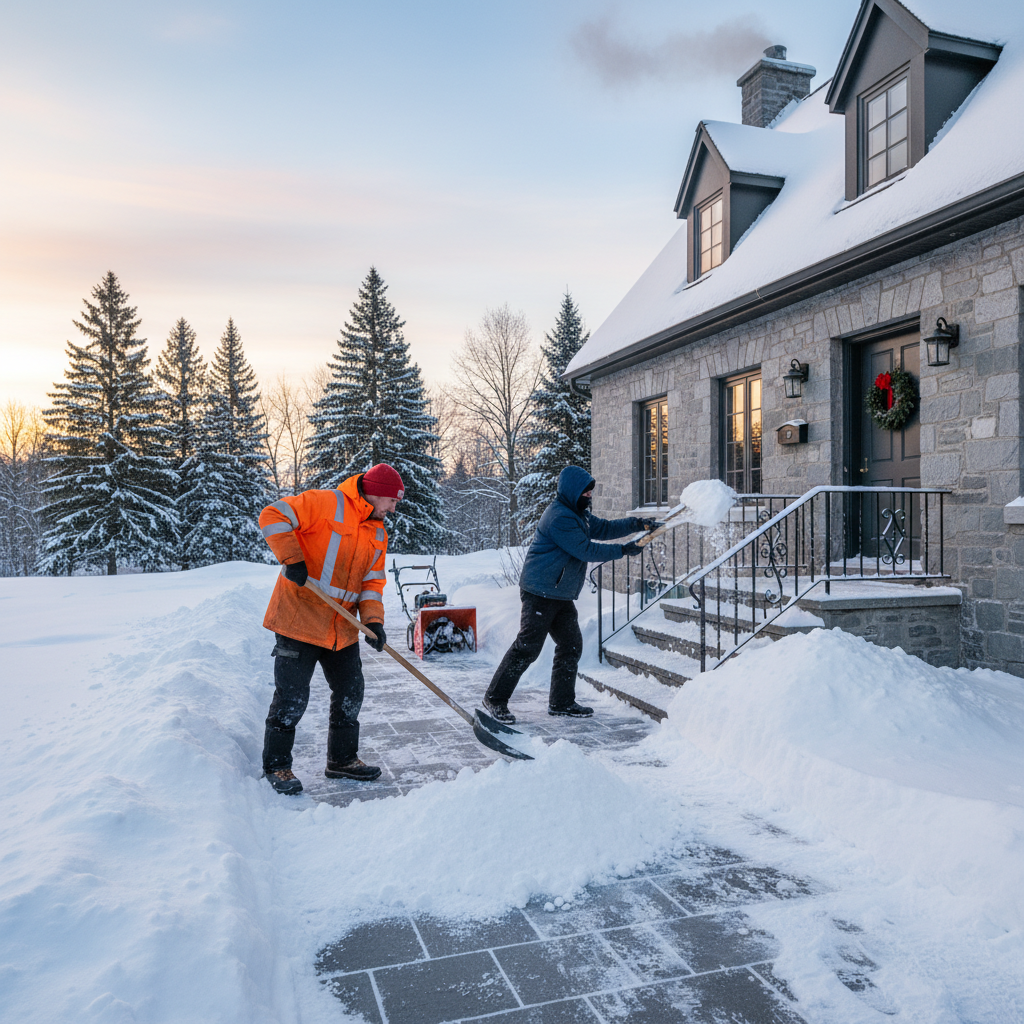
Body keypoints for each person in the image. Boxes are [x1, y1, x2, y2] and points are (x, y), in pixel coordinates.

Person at [257, 463, 404, 795]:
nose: (394, 508)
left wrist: (373, 622)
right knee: (292, 697)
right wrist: (292, 558)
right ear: (377, 493)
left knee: (351, 692)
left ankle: (342, 761)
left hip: (342, 627)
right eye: (392, 501)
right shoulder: (326, 503)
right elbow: (271, 516)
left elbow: (372, 582)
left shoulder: (378, 531)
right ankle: (277, 765)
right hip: (299, 618)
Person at [482, 465, 657, 722]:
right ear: (572, 491)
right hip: (540, 592)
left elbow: (606, 529)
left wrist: (637, 523)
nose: (589, 496)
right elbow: (585, 550)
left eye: (590, 492)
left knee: (571, 645)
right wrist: (624, 550)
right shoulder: (560, 517)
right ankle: (494, 699)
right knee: (527, 647)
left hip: (559, 593)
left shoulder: (578, 514)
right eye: (585, 492)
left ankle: (562, 703)